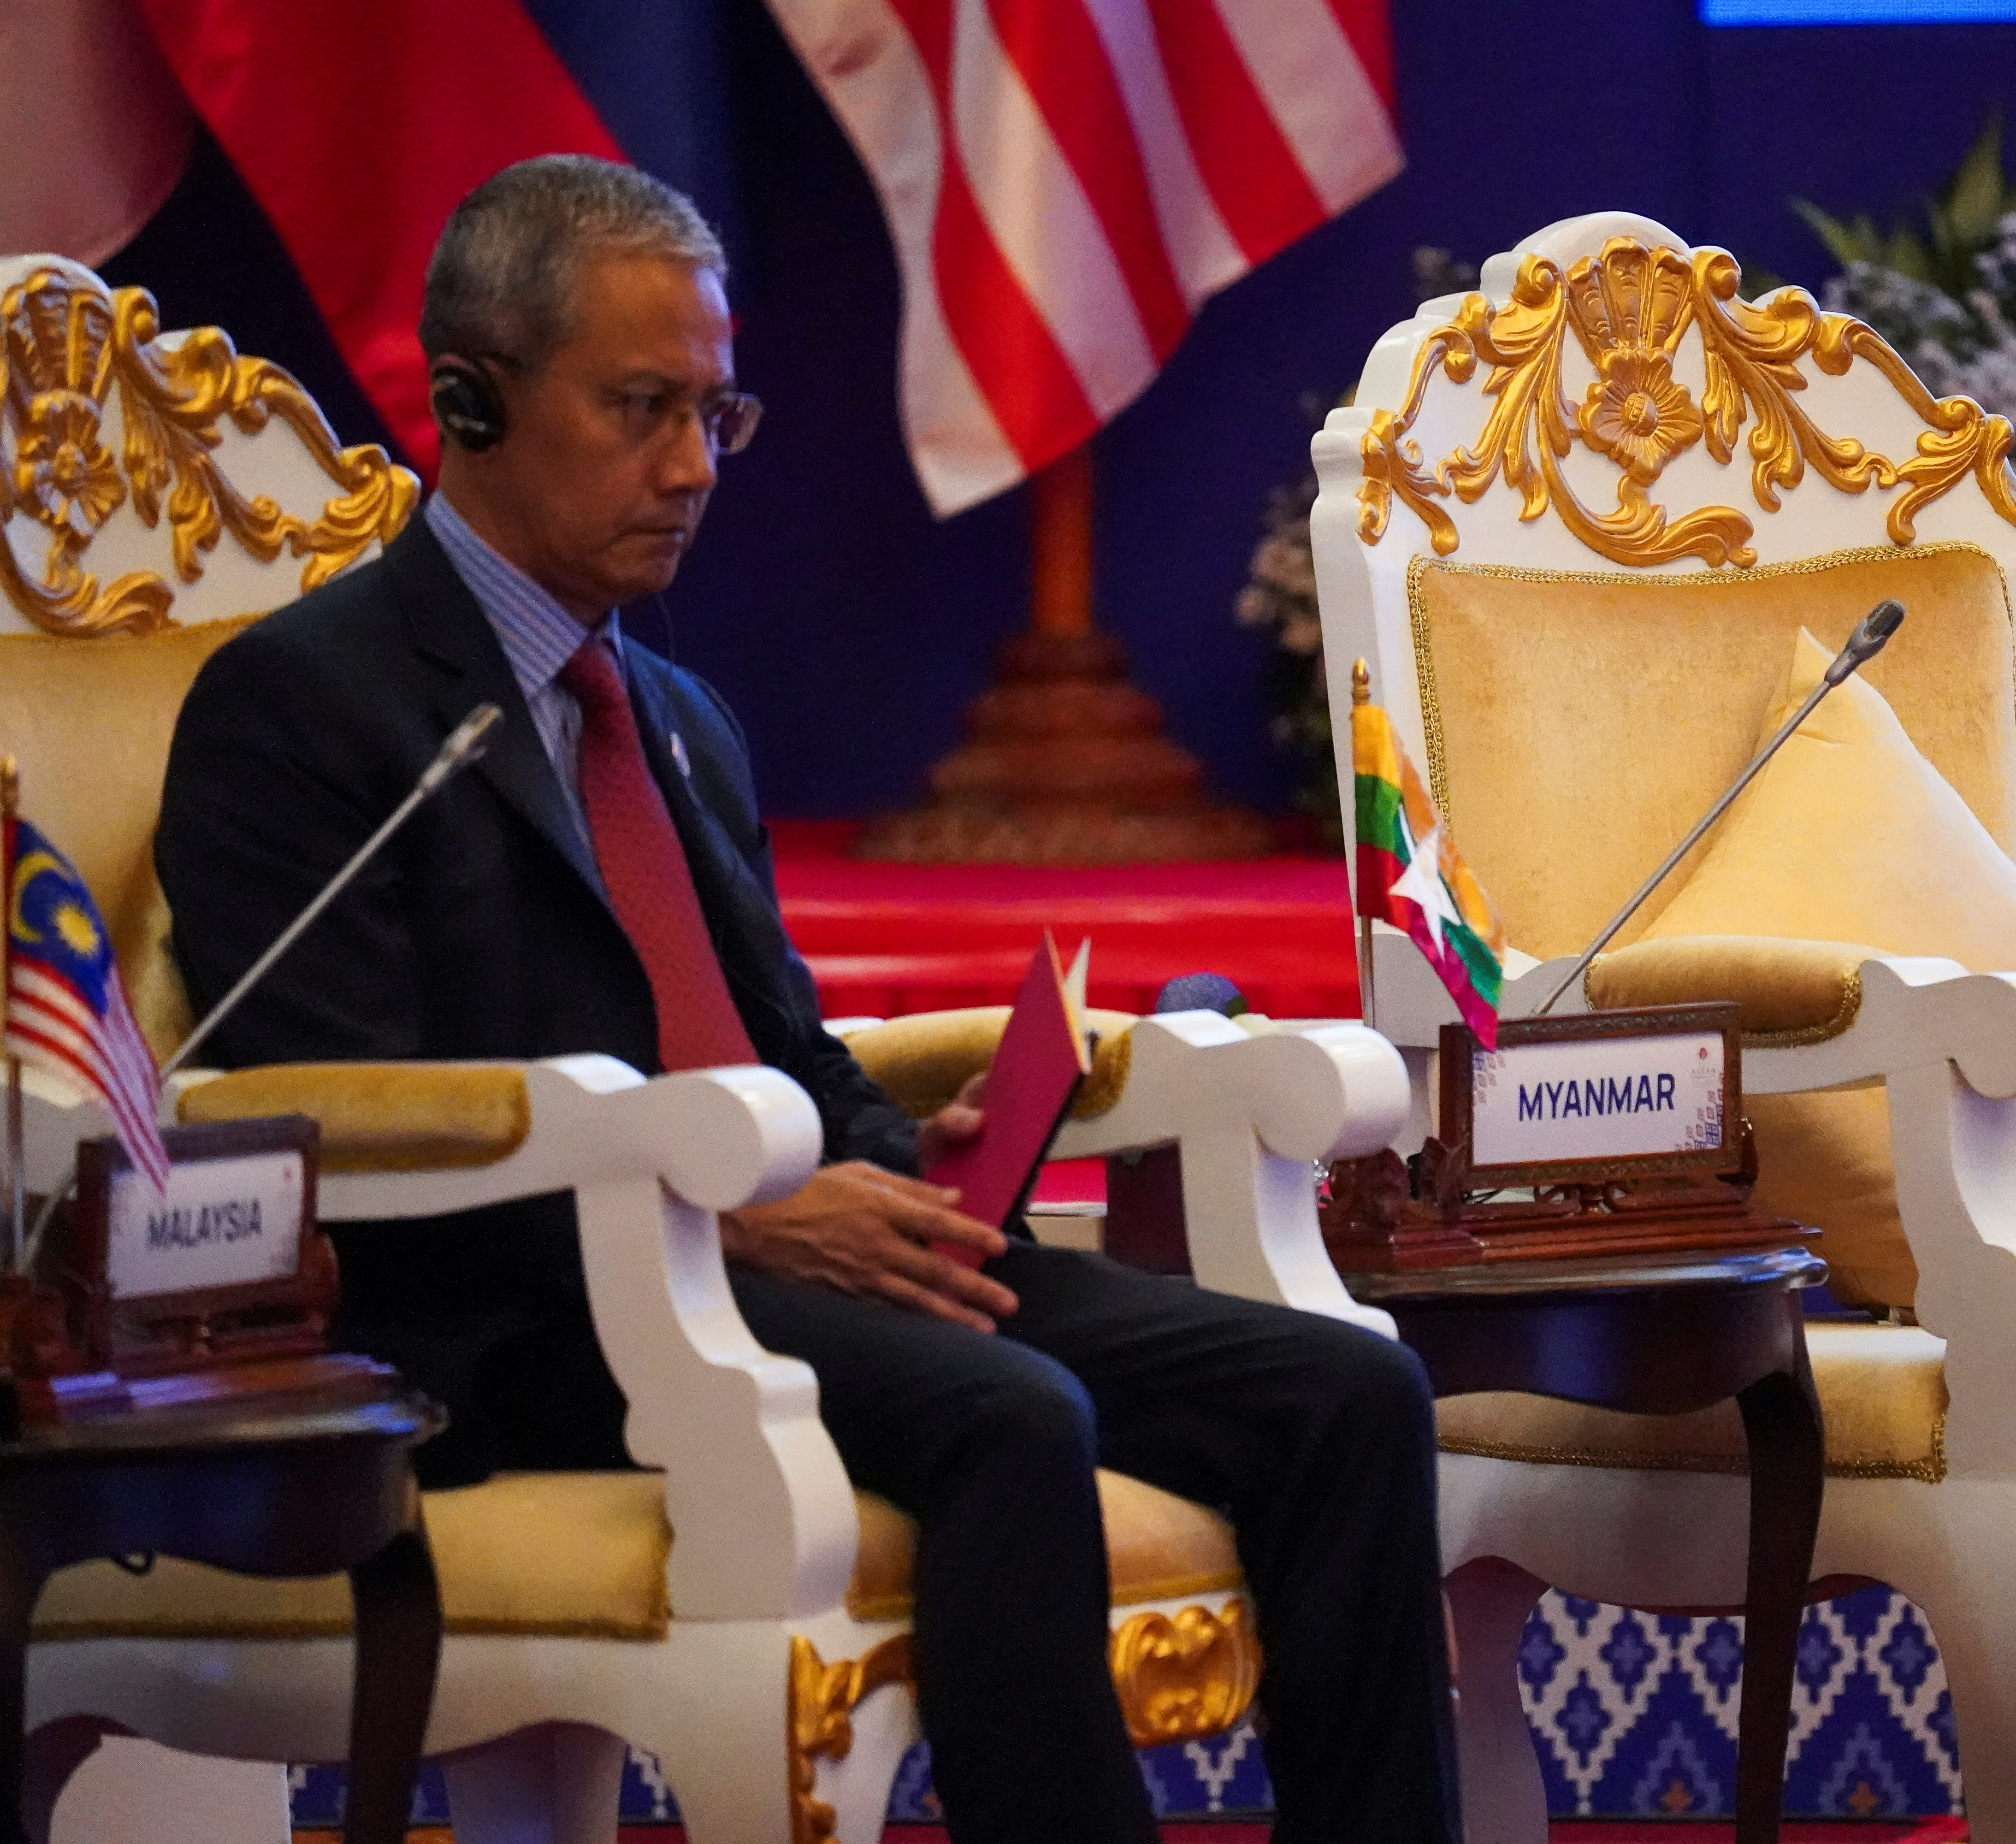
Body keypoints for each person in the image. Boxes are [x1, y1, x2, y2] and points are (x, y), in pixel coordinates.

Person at [155, 155, 1458, 1844]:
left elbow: (777, 1052)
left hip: (779, 1267)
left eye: (717, 412)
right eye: (642, 409)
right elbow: (329, 1121)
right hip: (526, 1319)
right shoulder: (304, 707)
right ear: (468, 401)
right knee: (1010, 1416)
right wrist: (748, 1219)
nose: (694, 468)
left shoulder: (680, 714)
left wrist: (907, 1153)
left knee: (1350, 1392)